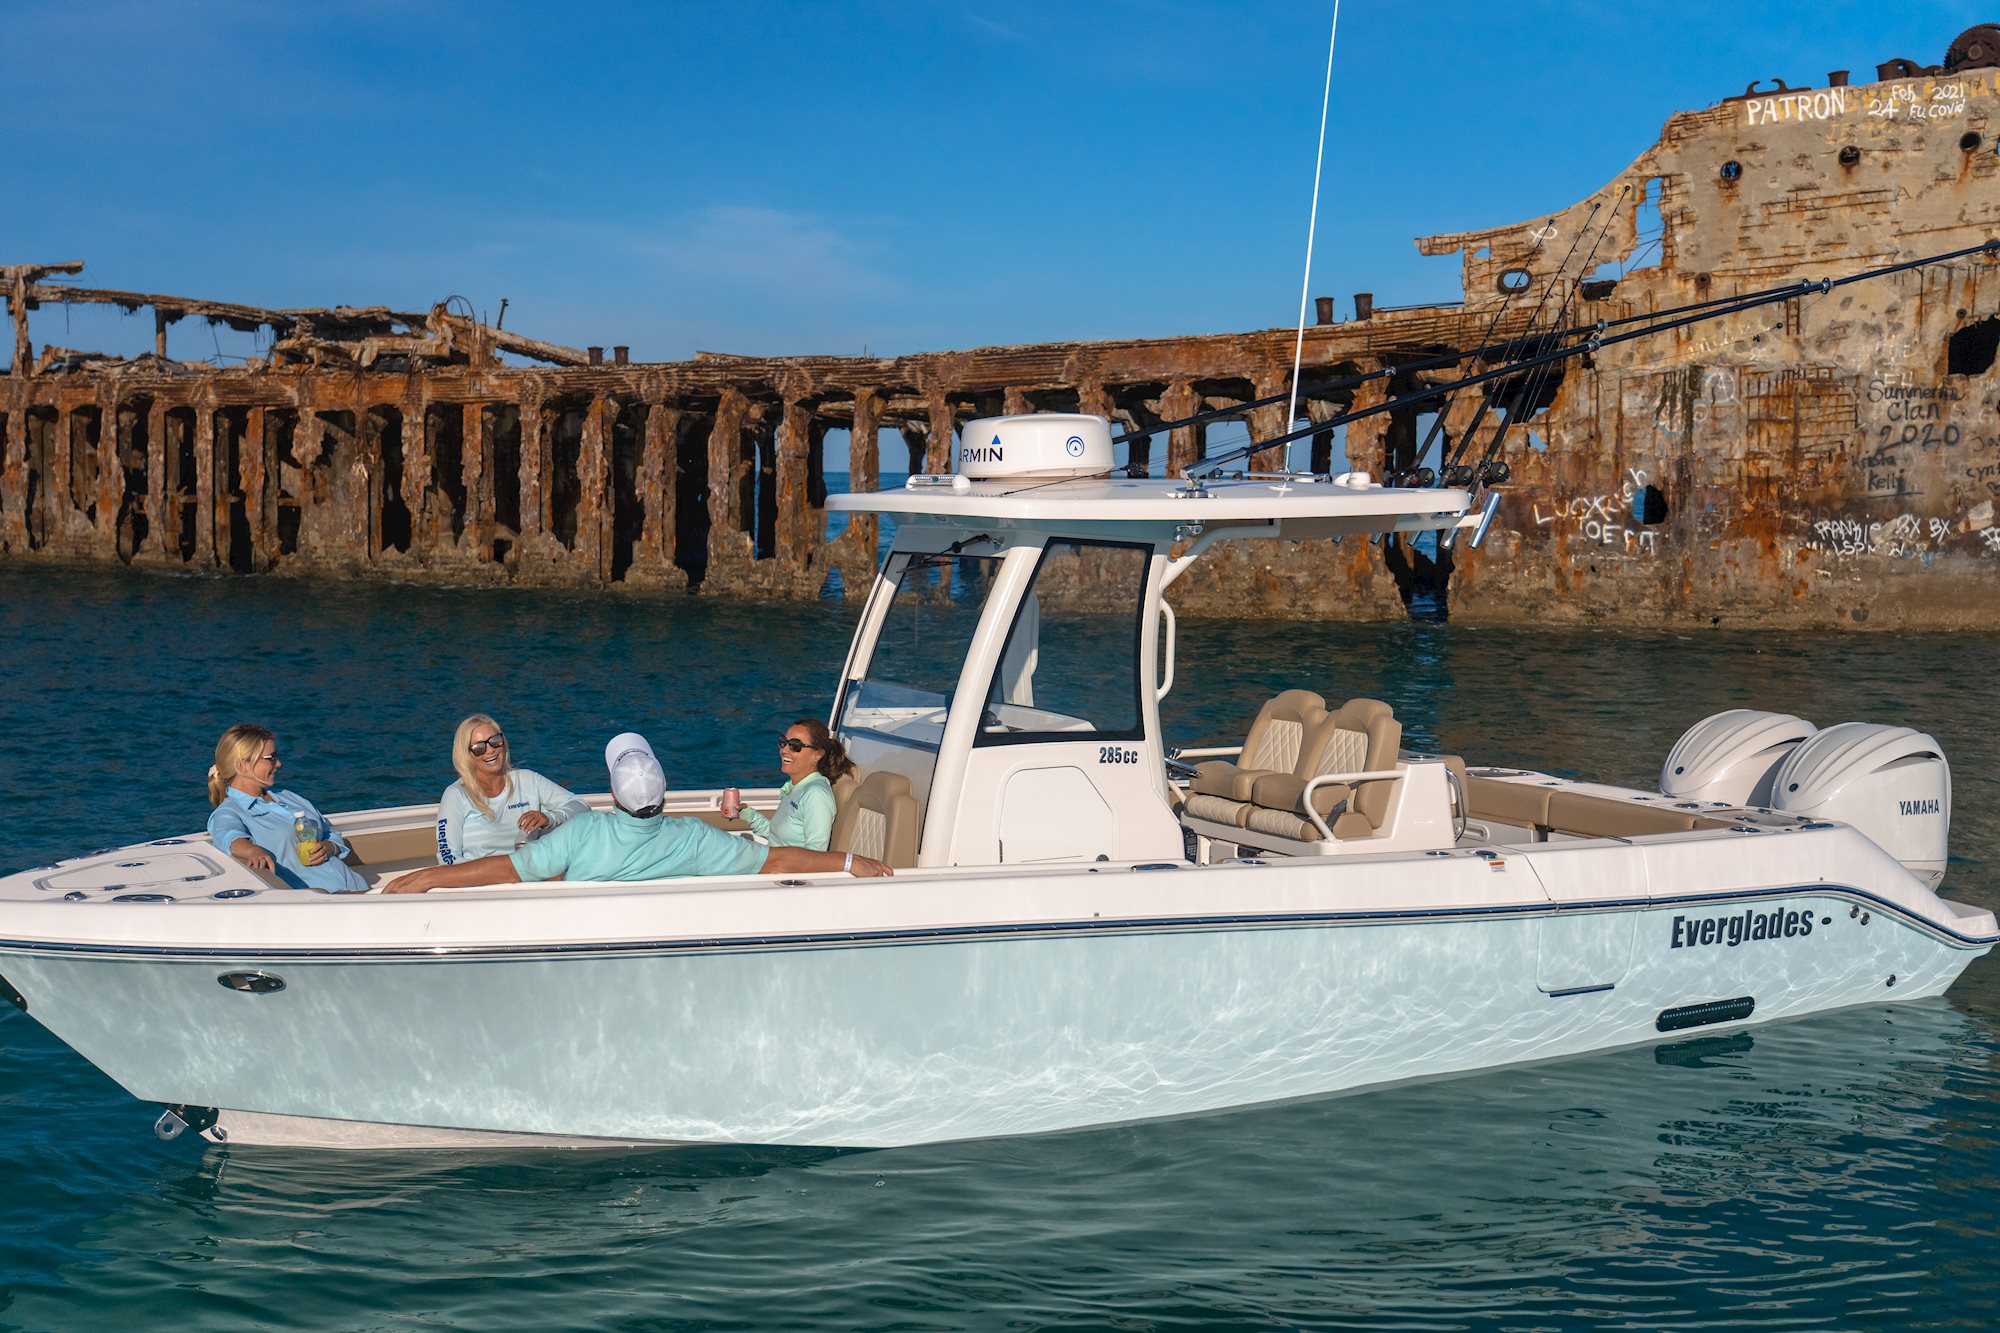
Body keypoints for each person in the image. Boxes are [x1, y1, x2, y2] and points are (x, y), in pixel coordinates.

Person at [386, 732, 892, 893]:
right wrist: (850, 862)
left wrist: (430, 877)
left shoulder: (581, 834)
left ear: (612, 795)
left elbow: (508, 869)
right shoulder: (693, 839)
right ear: (665, 794)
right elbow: (780, 862)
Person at [206, 724, 369, 893]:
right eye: (271, 758)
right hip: (324, 902)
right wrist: (253, 851)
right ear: (242, 766)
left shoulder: (289, 797)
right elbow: (230, 838)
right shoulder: (229, 812)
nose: (278, 764)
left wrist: (329, 847)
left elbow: (330, 834)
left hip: (356, 888)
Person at [436, 713, 590, 864]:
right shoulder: (456, 794)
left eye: (495, 740)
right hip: (481, 884)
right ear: (466, 754)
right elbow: (447, 858)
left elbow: (581, 806)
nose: (490, 750)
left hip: (529, 877)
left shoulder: (528, 780)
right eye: (479, 747)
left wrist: (549, 818)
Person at [720, 718, 852, 851]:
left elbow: (815, 856)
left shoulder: (816, 795)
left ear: (817, 755)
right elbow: (778, 838)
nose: (784, 750)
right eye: (783, 742)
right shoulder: (796, 787)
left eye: (795, 746)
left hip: (783, 869)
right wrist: (749, 815)